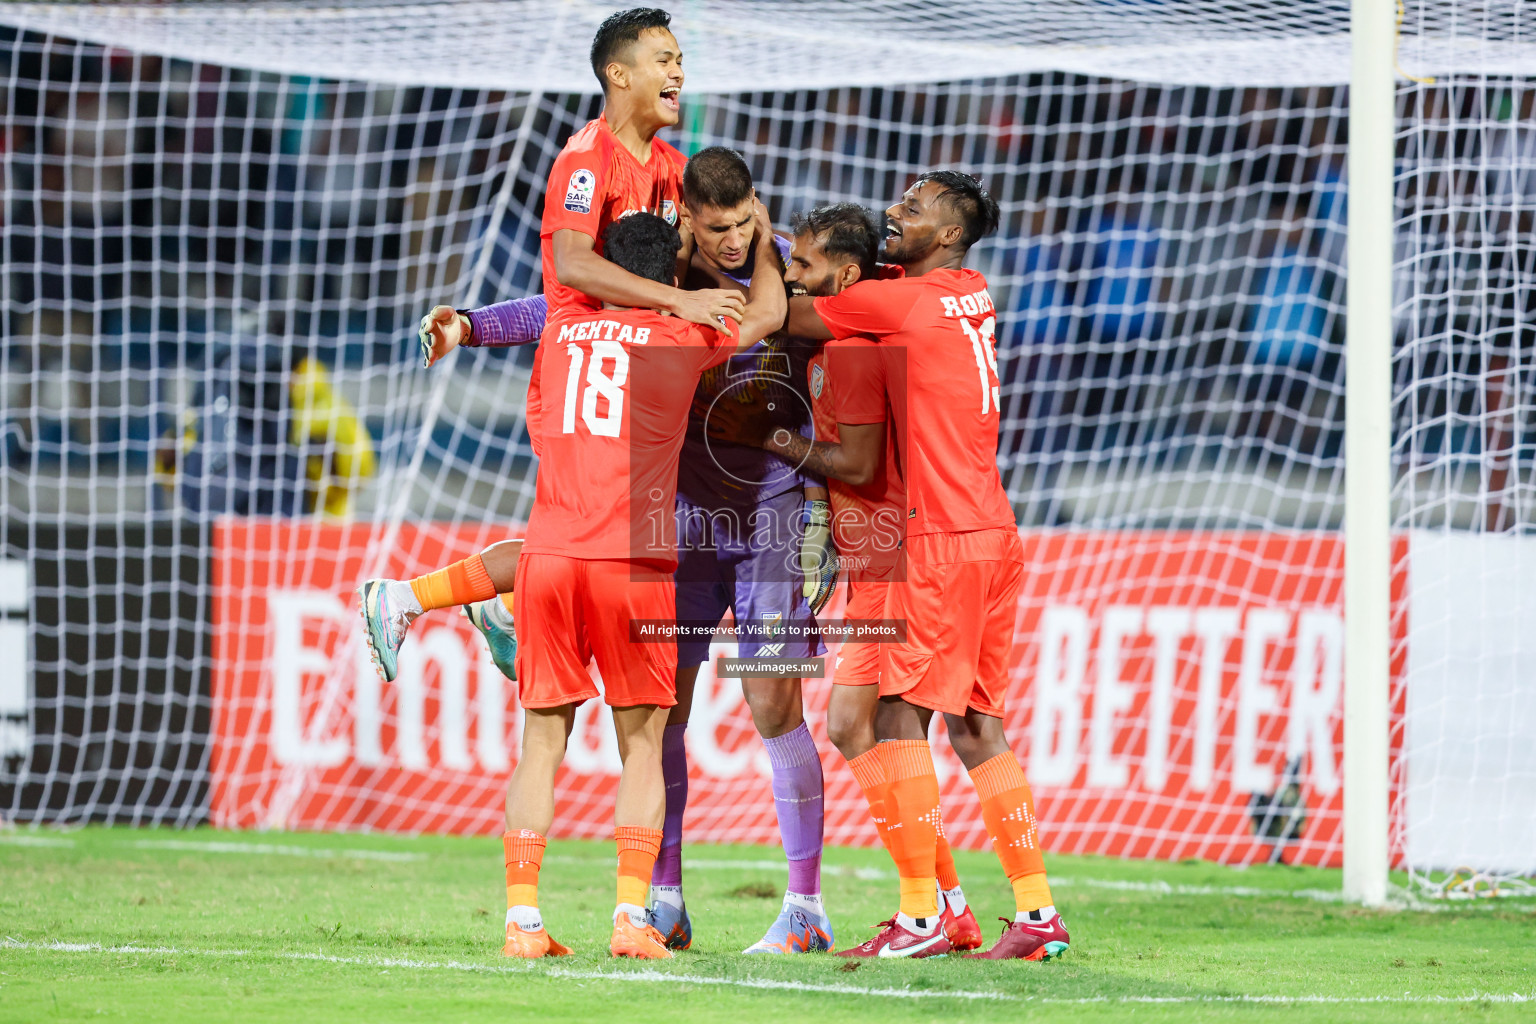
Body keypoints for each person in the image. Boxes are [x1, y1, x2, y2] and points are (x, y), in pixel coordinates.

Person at [422, 147, 837, 956]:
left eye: (746, 222)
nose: (734, 238)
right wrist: (474, 324)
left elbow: (843, 336)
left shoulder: (784, 267)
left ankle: (805, 907)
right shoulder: (657, 284)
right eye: (718, 227)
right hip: (672, 515)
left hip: (767, 517)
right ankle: (661, 901)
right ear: (685, 220)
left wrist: (830, 500)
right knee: (663, 710)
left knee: (771, 704)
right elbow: (552, 308)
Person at [364, 7, 743, 687]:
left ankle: (483, 607)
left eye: (681, 58)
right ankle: (426, 601)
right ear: (617, 72)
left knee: (611, 543)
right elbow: (572, 277)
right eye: (664, 58)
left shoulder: (674, 171)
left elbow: (647, 285)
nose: (679, 70)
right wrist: (479, 326)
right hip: (585, 384)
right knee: (596, 545)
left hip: (643, 371)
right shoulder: (585, 158)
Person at [780, 172, 1069, 961]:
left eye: (915, 209)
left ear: (948, 235)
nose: (895, 214)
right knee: (932, 724)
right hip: (979, 531)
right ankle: (1024, 914)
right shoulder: (962, 289)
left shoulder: (896, 307)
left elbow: (783, 313)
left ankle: (922, 917)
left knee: (899, 717)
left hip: (930, 542)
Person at [489, 210, 784, 960]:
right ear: (668, 276)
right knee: (644, 744)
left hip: (549, 554)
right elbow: (769, 314)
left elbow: (538, 320)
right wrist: (763, 241)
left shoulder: (558, 333)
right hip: (633, 562)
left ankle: (523, 921)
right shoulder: (679, 337)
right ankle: (630, 918)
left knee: (540, 743)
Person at [709, 201, 985, 952]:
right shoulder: (854, 333)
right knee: (859, 727)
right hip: (879, 548)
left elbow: (858, 461)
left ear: (848, 274)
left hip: (898, 549)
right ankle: (945, 906)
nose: (793, 279)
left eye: (806, 266)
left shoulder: (859, 344)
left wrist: (768, 439)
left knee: (882, 726)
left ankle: (932, 912)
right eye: (789, 262)